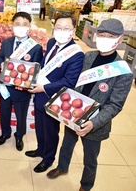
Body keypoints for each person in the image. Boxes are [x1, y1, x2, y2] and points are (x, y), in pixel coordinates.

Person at [46, 18, 133, 191]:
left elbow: (115, 105)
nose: (104, 38)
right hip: (74, 112)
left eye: (110, 36)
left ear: (120, 39)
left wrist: (93, 123)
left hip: (95, 122)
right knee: (67, 144)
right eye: (101, 34)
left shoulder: (123, 71)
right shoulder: (89, 56)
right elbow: (75, 83)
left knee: (90, 157)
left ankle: (86, 185)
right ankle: (62, 167)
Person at [26, 15, 85, 173]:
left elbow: (69, 81)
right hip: (39, 95)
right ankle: (40, 149)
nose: (61, 31)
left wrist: (43, 88)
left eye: (66, 28)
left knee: (51, 131)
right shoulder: (51, 42)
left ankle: (48, 158)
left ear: (73, 30)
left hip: (56, 99)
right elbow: (45, 65)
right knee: (40, 127)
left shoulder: (77, 54)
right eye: (59, 27)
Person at [0, 12, 43, 151]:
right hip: (6, 87)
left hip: (22, 90)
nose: (20, 27)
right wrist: (1, 64)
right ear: (12, 26)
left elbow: (37, 69)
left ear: (29, 27)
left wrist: (26, 82)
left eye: (24, 24)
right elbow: (0, 58)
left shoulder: (36, 47)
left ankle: (19, 136)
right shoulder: (6, 42)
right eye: (17, 24)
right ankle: (5, 133)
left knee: (20, 114)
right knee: (4, 112)